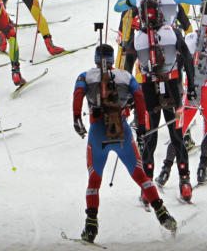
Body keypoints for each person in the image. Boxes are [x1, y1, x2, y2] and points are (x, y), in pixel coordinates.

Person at [73, 43, 177, 243]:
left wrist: (76, 118)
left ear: (95, 58)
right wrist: (141, 125)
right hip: (122, 130)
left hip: (97, 132)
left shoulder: (85, 76)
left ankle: (91, 226)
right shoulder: (125, 76)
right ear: (113, 60)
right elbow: (139, 97)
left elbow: (78, 94)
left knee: (94, 180)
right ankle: (163, 214)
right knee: (140, 175)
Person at [122, 0, 198, 201]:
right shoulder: (170, 32)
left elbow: (126, 70)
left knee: (156, 137)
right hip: (167, 86)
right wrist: (191, 86)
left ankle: (169, 182)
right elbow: (188, 59)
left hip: (152, 88)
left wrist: (127, 96)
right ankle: (182, 180)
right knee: (170, 135)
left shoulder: (138, 38)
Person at [157, 2, 207, 185]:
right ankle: (202, 170)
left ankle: (165, 170)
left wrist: (176, 90)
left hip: (191, 89)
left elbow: (178, 64)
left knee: (179, 129)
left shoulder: (189, 38)